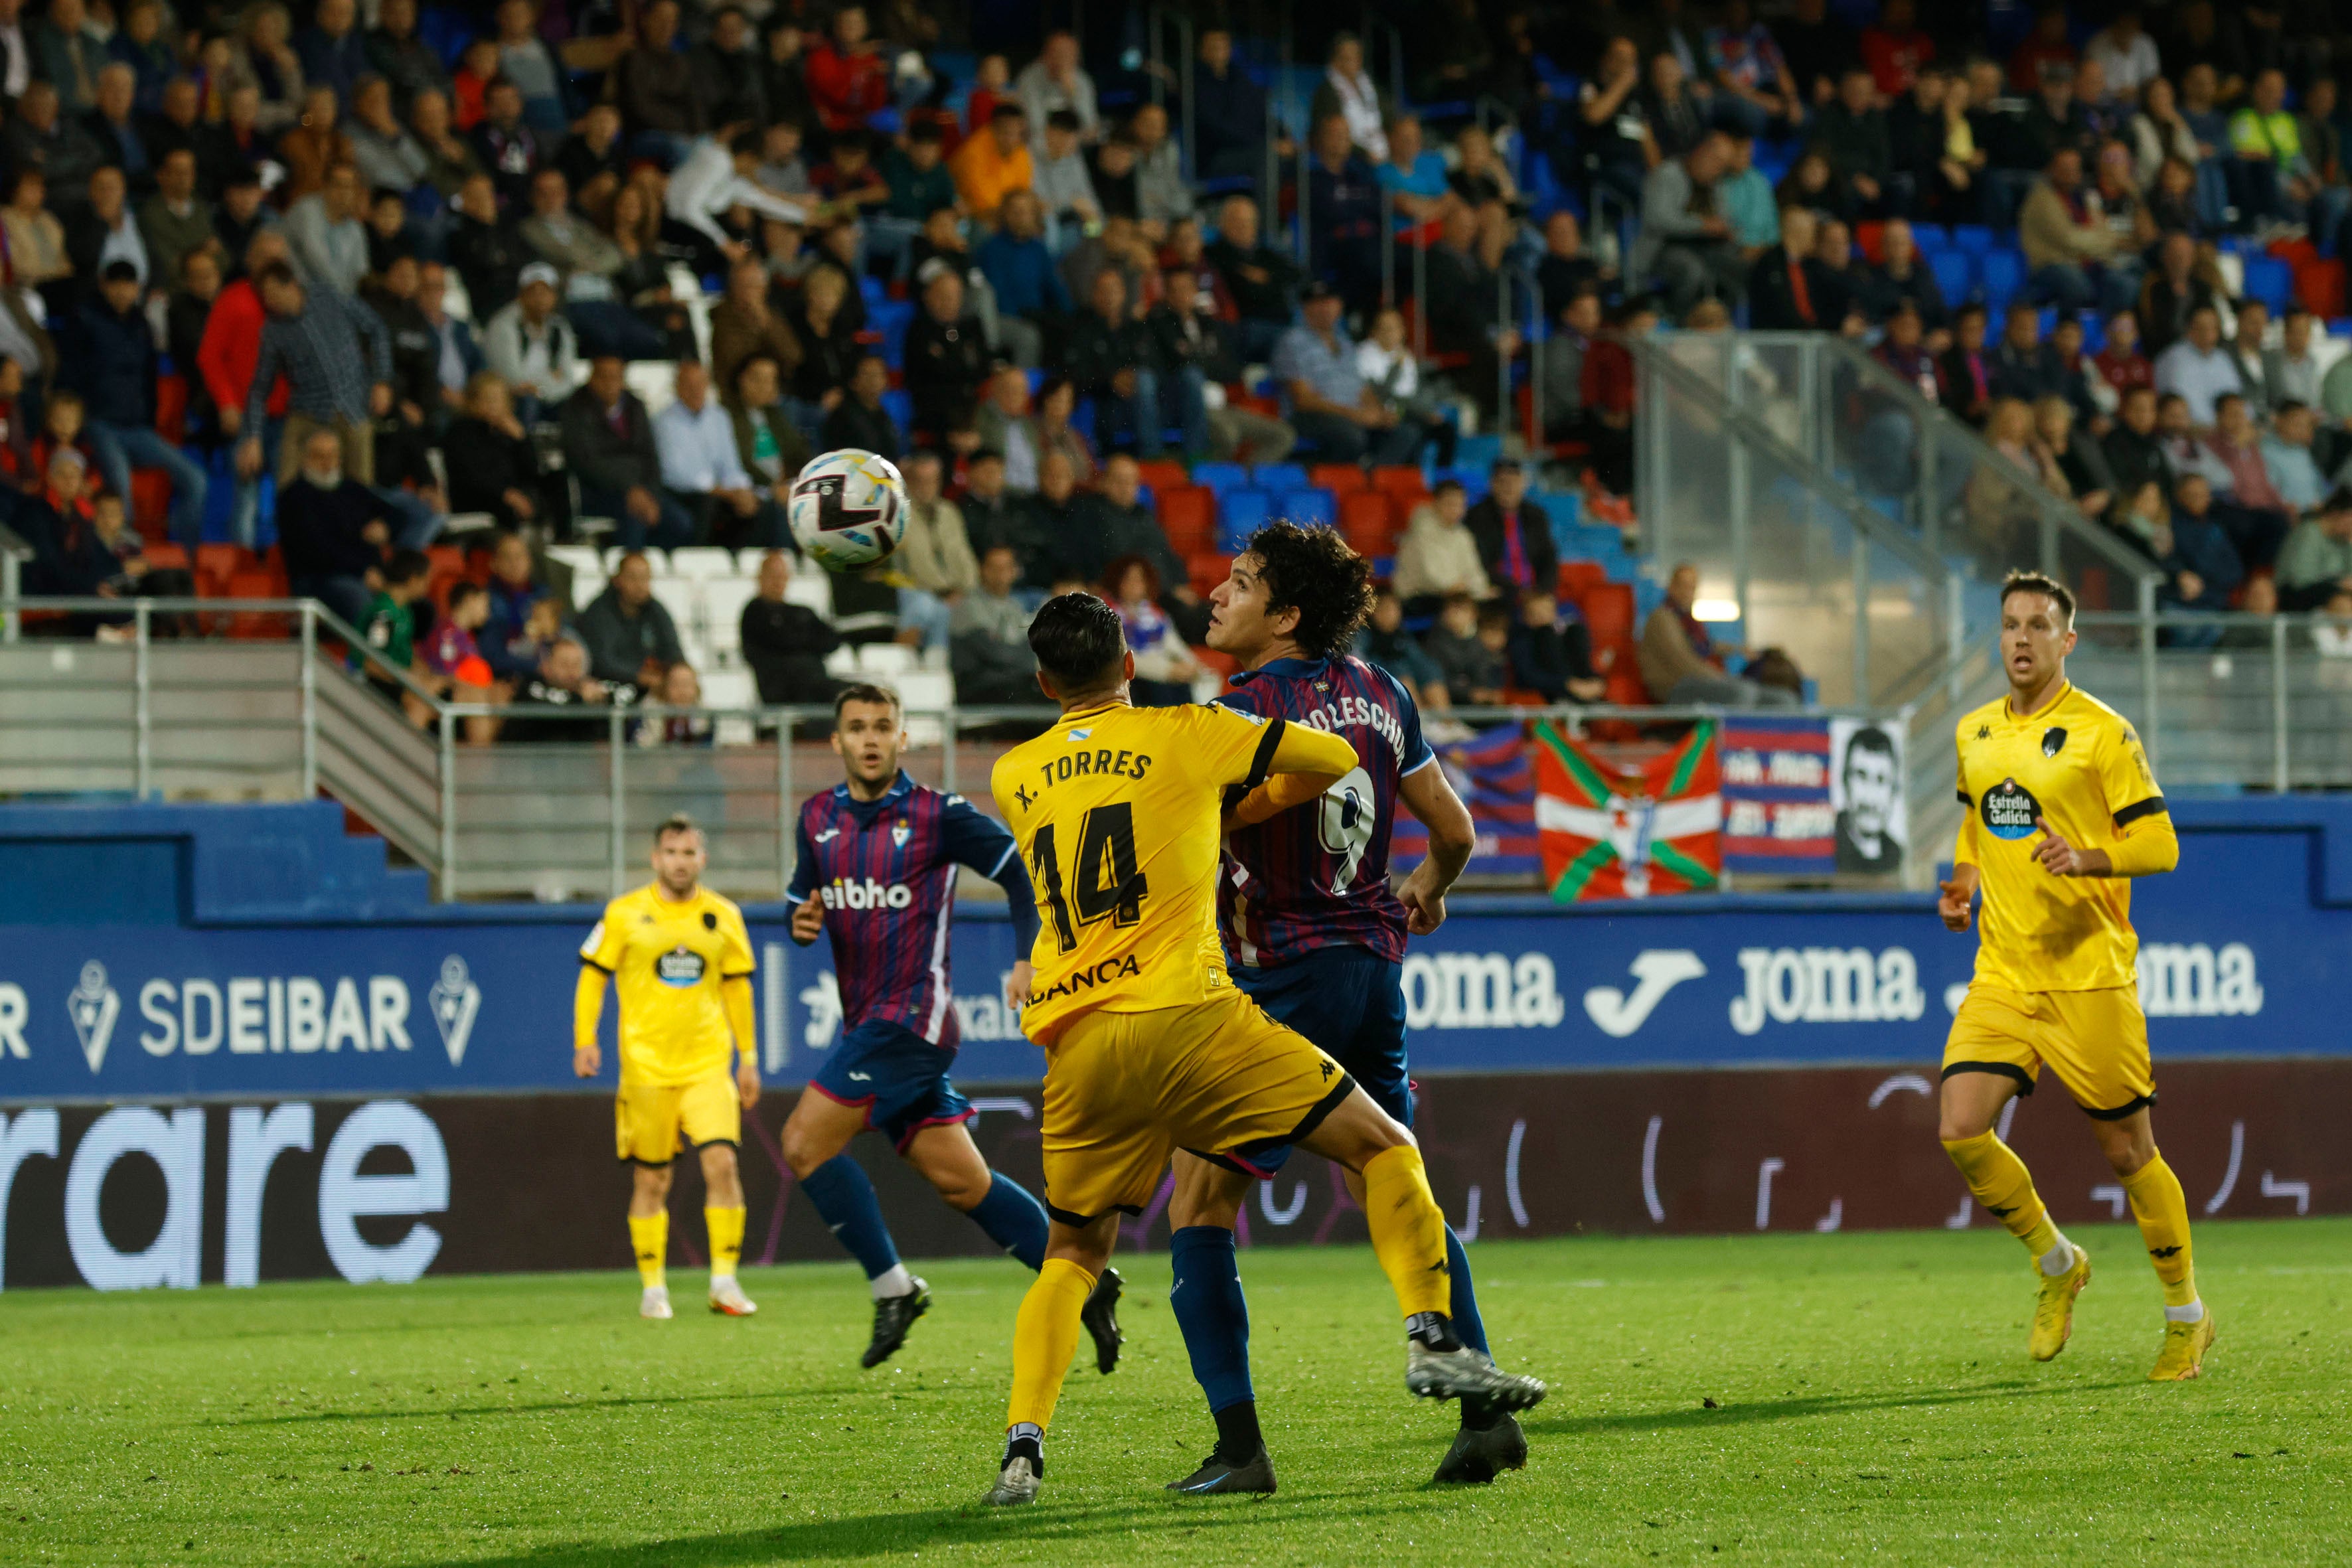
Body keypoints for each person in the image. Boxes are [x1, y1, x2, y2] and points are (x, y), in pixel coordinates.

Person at [977, 590, 1543, 1506]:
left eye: (1236, 582)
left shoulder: (1011, 773)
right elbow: (1332, 759)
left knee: (1075, 1247)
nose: (1217, 595)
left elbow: (1098, 812)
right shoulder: (1202, 726)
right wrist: (1228, 805)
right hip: (1211, 1005)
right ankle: (1437, 1344)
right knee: (1384, 1150)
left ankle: (1026, 1444)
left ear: (1043, 681)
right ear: (1130, 666)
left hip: (1076, 1036)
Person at [781, 682, 1121, 1368]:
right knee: (964, 1183)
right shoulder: (817, 816)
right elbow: (801, 897)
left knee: (803, 1142)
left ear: (904, 738)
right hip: (867, 1023)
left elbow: (1023, 873)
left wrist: (1029, 955)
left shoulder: (939, 814)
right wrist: (802, 920)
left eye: (883, 726)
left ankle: (894, 1288)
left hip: (915, 1019)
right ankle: (1089, 1281)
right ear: (836, 740)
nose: (871, 738)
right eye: (857, 727)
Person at [1936, 571, 2207, 1381]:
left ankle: (2186, 1316)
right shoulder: (1975, 732)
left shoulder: (2103, 733)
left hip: (2090, 975)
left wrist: (2088, 858)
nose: (2022, 638)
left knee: (2129, 1151)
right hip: (2005, 974)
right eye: (2012, 624)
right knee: (1959, 1125)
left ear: (2067, 641)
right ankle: (2058, 1261)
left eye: (2039, 625)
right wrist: (1962, 883)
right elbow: (1977, 821)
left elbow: (2162, 846)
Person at [574, 815, 761, 1321]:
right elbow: (593, 978)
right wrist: (584, 1040)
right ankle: (653, 1288)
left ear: (703, 859)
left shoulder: (723, 916)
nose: (680, 862)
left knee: (722, 1163)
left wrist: (749, 1057)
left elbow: (737, 987)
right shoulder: (624, 914)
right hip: (646, 1070)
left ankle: (724, 1282)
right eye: (671, 853)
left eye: (689, 853)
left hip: (707, 1066)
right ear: (655, 859)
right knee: (651, 1182)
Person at [63, 261, 208, 548]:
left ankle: (184, 557)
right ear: (105, 285)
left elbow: (150, 376)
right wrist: (79, 425)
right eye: (116, 284)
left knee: (196, 479)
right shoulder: (85, 318)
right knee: (121, 486)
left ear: (137, 288)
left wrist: (148, 419)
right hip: (100, 423)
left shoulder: (141, 325)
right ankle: (124, 560)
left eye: (129, 285)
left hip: (138, 428)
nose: (122, 292)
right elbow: (71, 374)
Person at [239, 259, 393, 488]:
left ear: (291, 284)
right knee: (287, 486)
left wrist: (382, 380)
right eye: (264, 297)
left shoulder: (327, 296)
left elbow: (376, 328)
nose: (270, 302)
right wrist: (252, 437)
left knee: (361, 489)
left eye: (273, 293)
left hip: (353, 403)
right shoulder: (273, 332)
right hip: (308, 411)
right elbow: (260, 389)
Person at [1272, 282, 1419, 465]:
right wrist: (1354, 414)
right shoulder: (1293, 342)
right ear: (1305, 308)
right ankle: (1332, 483)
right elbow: (1303, 399)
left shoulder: (1346, 344)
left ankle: (1369, 481)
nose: (1325, 308)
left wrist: (1379, 413)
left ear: (1339, 306)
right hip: (1312, 416)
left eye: (1330, 302)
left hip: (1350, 415)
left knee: (1404, 433)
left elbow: (1362, 389)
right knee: (1351, 436)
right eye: (1317, 303)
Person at [563, 355, 694, 548]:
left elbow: (650, 456)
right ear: (591, 379)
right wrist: (630, 489)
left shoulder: (635, 406)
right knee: (636, 516)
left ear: (623, 380)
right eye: (603, 377)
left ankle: (651, 568)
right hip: (597, 492)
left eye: (615, 377)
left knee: (682, 523)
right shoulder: (575, 408)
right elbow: (585, 462)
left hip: (641, 490)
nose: (609, 383)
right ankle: (630, 569)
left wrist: (650, 493)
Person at [276, 426, 393, 625]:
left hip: (366, 573)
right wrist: (363, 571)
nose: (328, 463)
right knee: (359, 601)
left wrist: (385, 527)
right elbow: (317, 550)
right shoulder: (294, 498)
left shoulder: (351, 489)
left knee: (417, 604)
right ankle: (366, 656)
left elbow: (395, 514)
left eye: (333, 455)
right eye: (319, 456)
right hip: (319, 580)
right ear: (305, 459)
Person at [1640, 561, 1797, 706]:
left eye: (1692, 587)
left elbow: (1708, 646)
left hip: (1699, 681)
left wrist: (1738, 649)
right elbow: (1682, 661)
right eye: (1683, 586)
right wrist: (1721, 679)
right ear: (1671, 587)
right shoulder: (1662, 618)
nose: (1688, 592)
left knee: (1784, 699)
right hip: (1675, 688)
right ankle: (1731, 736)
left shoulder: (1689, 621)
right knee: (1742, 691)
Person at [655, 358, 759, 543]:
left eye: (700, 384)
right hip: (682, 493)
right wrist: (724, 493)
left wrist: (741, 489)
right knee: (708, 504)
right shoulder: (664, 422)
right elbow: (677, 475)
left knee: (764, 506)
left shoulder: (720, 417)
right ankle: (697, 559)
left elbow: (731, 464)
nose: (696, 390)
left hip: (720, 492)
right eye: (689, 385)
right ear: (677, 387)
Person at [739, 549, 840, 709]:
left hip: (815, 685)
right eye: (772, 576)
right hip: (780, 689)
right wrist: (806, 638)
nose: (777, 582)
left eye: (782, 577)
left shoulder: (802, 611)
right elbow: (780, 640)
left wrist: (798, 637)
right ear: (759, 578)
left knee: (853, 694)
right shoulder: (754, 612)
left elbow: (831, 641)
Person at [481, 261, 579, 424]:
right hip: (515, 397)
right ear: (521, 295)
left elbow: (568, 378)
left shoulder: (559, 328)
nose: (540, 298)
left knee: (576, 404)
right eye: (533, 291)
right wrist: (550, 380)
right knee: (527, 401)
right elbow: (512, 378)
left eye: (545, 292)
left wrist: (541, 390)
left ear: (554, 296)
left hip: (548, 396)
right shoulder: (503, 325)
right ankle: (524, 445)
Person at [576, 550, 682, 688]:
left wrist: (677, 672)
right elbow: (601, 662)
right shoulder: (599, 612)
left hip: (651, 686)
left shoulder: (656, 610)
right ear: (617, 580)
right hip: (608, 686)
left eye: (645, 578)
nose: (639, 585)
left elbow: (672, 650)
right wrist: (638, 676)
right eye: (632, 578)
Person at [948, 544, 1035, 703]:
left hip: (1009, 684)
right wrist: (1021, 653)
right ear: (983, 570)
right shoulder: (967, 605)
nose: (1001, 574)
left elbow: (1030, 655)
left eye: (1006, 567)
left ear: (1015, 571)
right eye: (995, 568)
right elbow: (996, 653)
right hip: (976, 687)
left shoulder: (1015, 606)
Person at [1464, 460, 1557, 601]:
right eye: (1502, 482)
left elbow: (1548, 556)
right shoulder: (1477, 517)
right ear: (1492, 485)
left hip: (1535, 594)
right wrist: (1515, 591)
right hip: (1497, 593)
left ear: (1523, 484)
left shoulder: (1536, 516)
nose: (1508, 487)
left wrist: (1542, 590)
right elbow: (1479, 563)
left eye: (1514, 481)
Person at [1508, 591, 1606, 703]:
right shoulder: (1521, 641)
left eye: (1546, 612)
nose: (1542, 618)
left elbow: (1580, 662)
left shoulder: (1563, 636)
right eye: (1535, 614)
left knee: (1576, 631)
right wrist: (1566, 684)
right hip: (1548, 691)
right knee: (1546, 635)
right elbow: (1529, 675)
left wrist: (1592, 683)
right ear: (1526, 617)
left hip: (1576, 685)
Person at [1833, 724, 1902, 872]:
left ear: (1894, 790)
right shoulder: (1824, 848)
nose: (1870, 795)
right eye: (1861, 776)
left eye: (1881, 780)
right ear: (1845, 781)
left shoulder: (1897, 856)